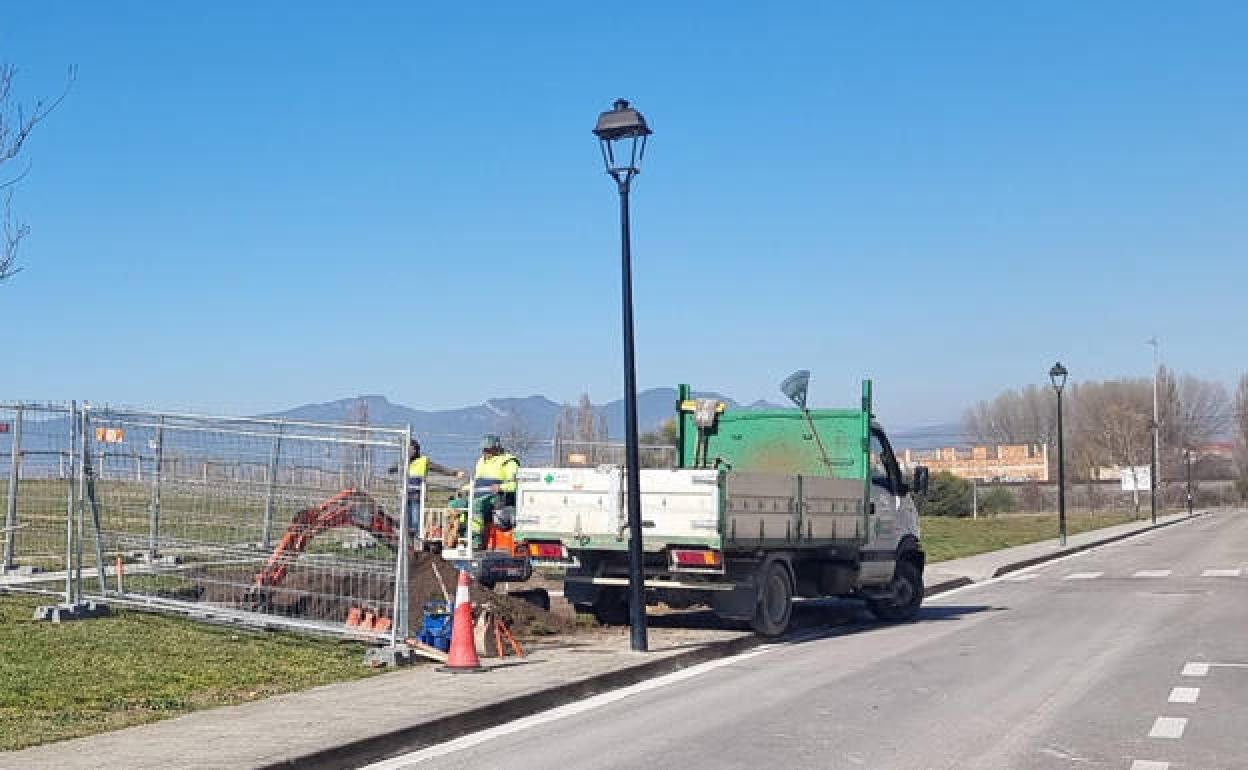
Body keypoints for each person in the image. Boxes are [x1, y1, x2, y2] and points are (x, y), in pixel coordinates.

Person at [454, 434, 520, 549]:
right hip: (479, 494)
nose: (485, 452)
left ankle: (475, 540)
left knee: (476, 505)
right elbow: (477, 482)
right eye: (484, 449)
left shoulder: (509, 462)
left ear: (497, 448)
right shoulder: (481, 461)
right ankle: (458, 536)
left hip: (498, 498)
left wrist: (501, 487)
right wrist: (465, 488)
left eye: (488, 449)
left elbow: (516, 484)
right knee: (455, 504)